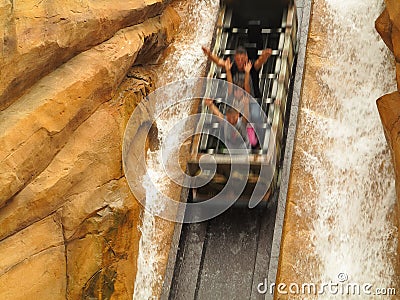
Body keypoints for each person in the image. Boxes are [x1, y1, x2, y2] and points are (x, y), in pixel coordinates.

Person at [202, 45, 272, 98]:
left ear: (246, 58)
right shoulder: (232, 66)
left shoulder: (251, 66)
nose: (240, 62)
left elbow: (260, 61)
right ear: (235, 58)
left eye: (242, 59)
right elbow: (219, 61)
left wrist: (265, 55)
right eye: (238, 60)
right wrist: (209, 54)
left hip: (252, 99)